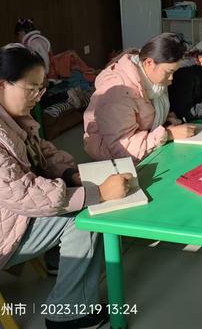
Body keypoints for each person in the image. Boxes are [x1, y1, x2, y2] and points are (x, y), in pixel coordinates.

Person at [0, 44, 131, 329]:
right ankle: (68, 314)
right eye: (31, 89)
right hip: (6, 226)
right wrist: (95, 193)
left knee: (78, 197)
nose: (37, 97)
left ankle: (59, 260)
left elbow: (43, 153)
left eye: (41, 89)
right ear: (2, 84)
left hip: (12, 215)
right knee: (85, 217)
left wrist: (71, 173)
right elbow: (22, 194)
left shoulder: (14, 118)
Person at [84, 33, 195, 163]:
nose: (171, 78)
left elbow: (149, 117)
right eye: (169, 72)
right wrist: (168, 134)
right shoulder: (119, 92)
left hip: (144, 149)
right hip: (112, 162)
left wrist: (168, 121)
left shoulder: (151, 80)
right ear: (149, 63)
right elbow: (123, 149)